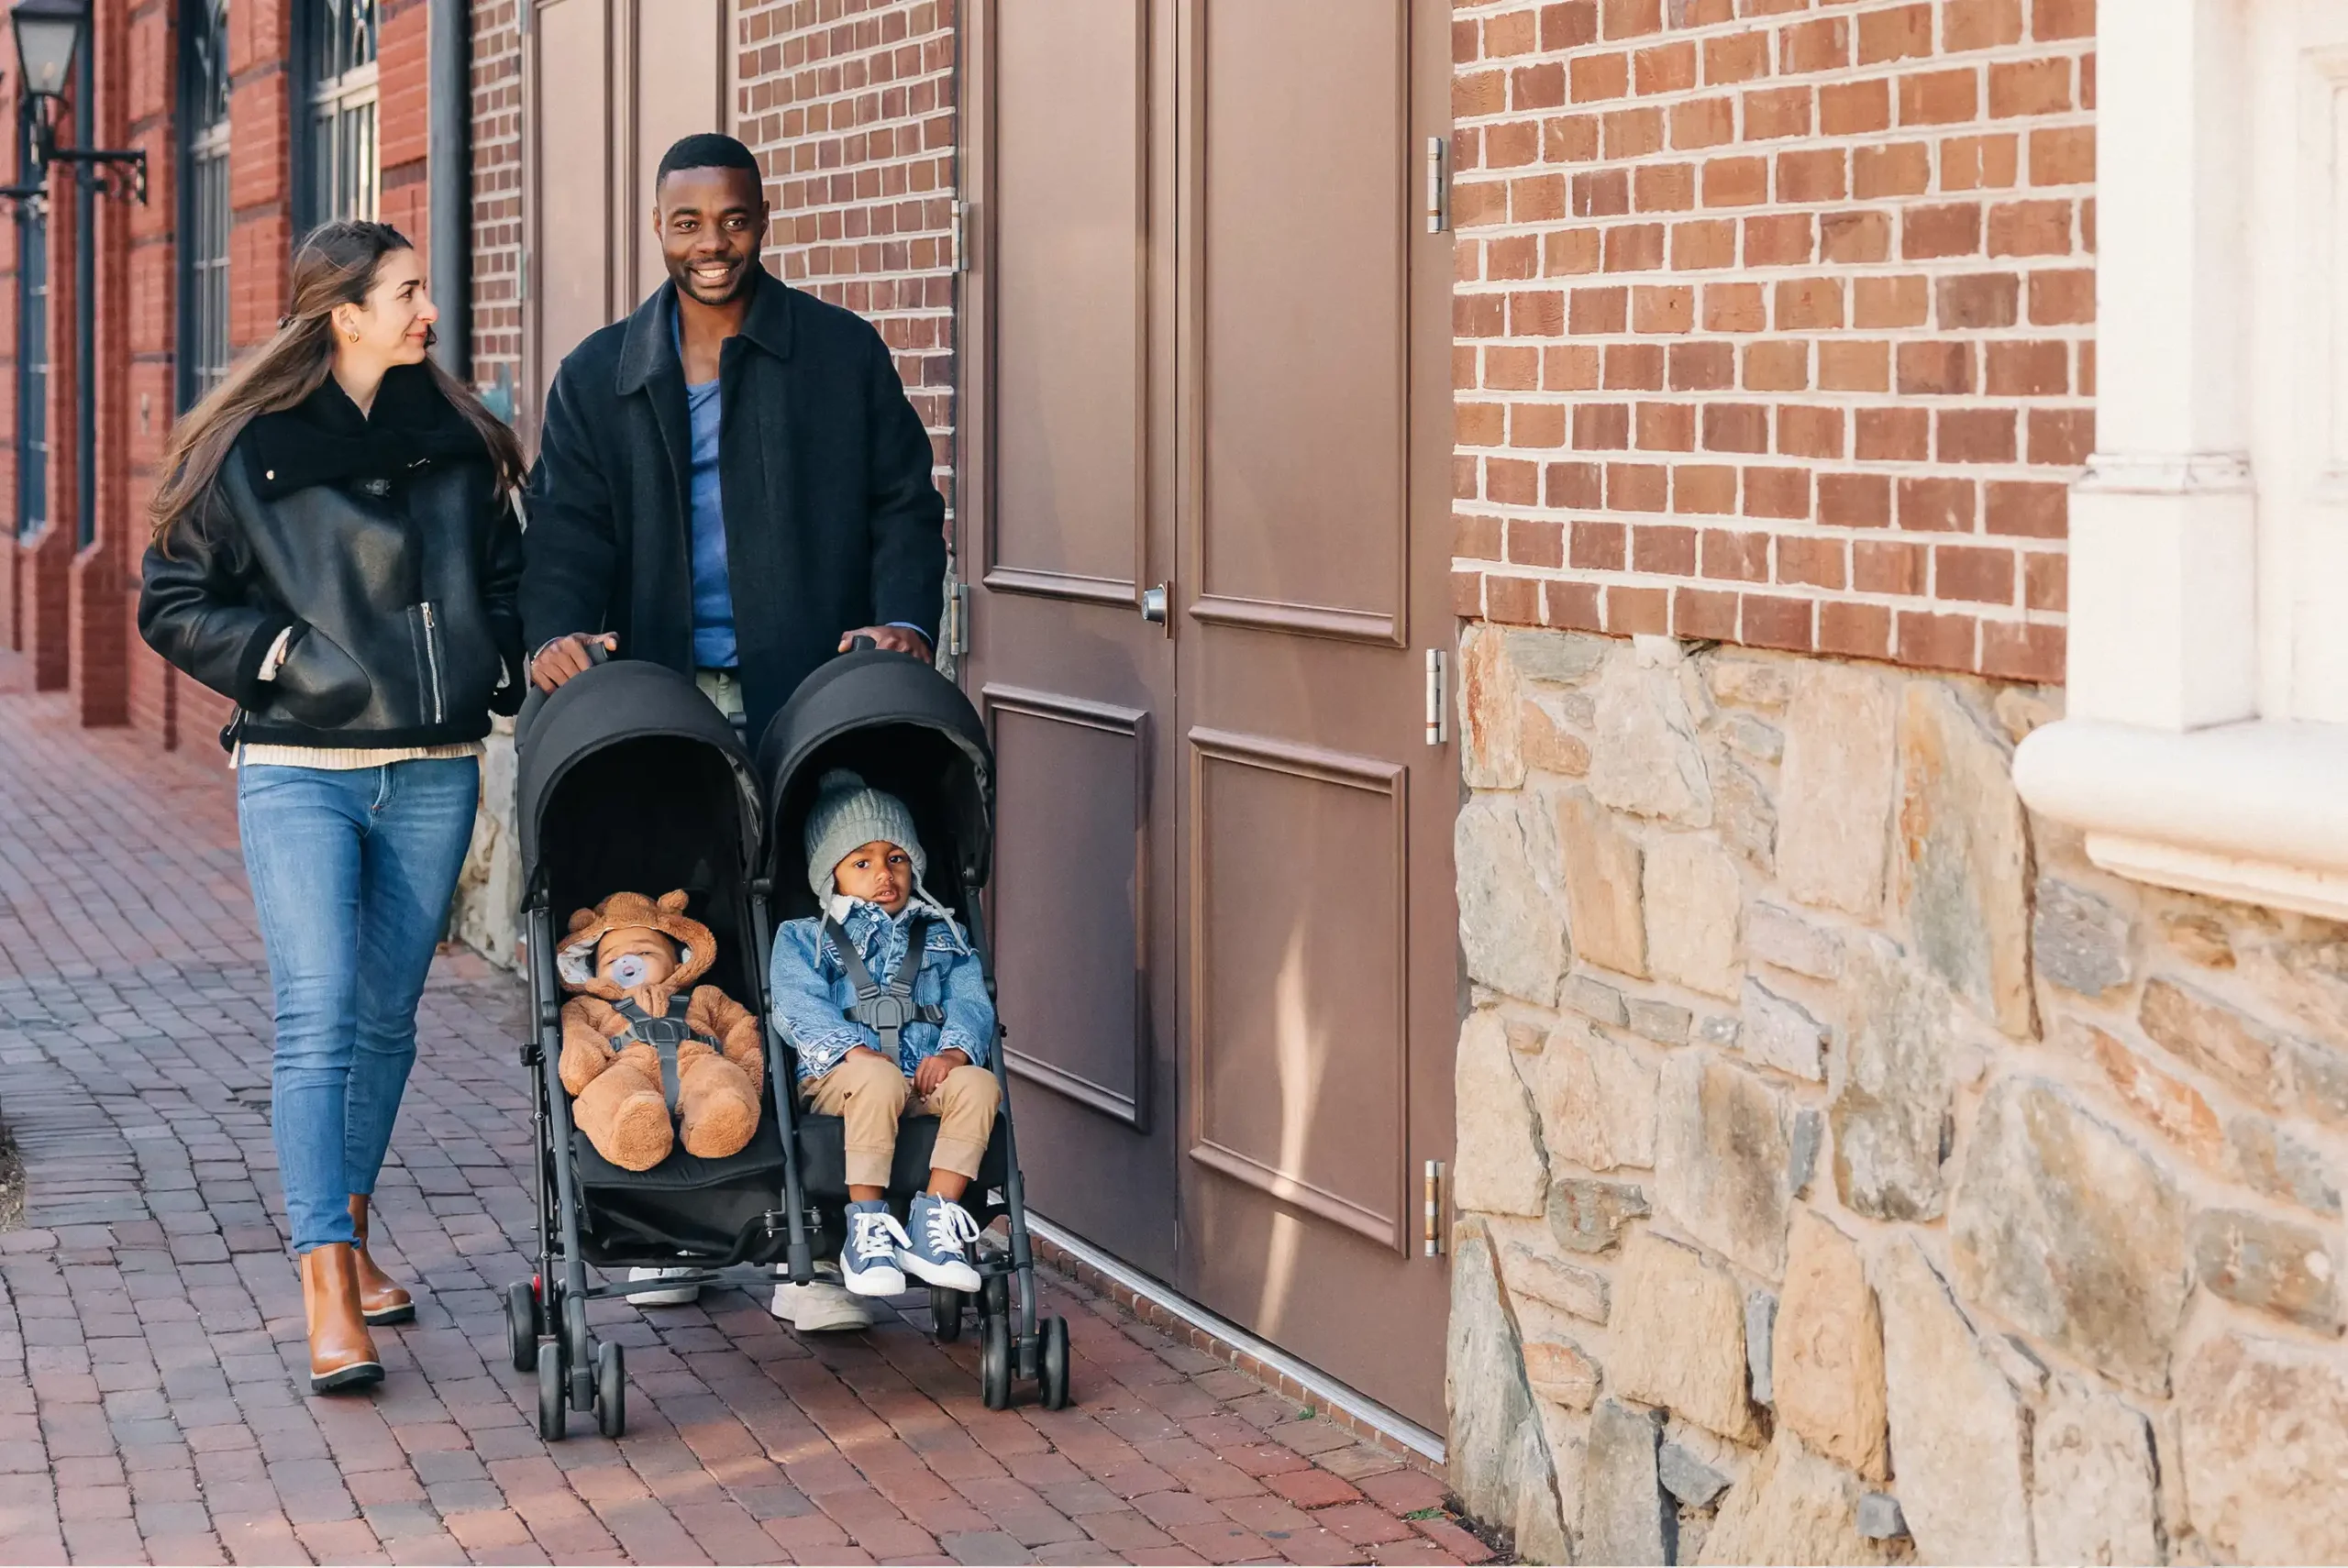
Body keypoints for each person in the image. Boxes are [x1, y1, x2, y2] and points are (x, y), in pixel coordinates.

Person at [520, 130, 947, 1329]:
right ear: (657, 228)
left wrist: (903, 621)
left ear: (767, 217)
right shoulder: (601, 374)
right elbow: (565, 528)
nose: (714, 247)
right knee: (698, 939)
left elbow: (904, 504)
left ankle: (818, 1242)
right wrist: (556, 632)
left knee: (815, 942)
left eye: (735, 221)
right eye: (687, 224)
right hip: (668, 700)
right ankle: (686, 1216)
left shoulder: (839, 356)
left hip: (806, 687)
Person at [138, 222, 527, 1394]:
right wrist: (279, 655)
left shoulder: (454, 439)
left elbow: (506, 576)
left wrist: (493, 659)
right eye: (408, 293)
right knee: (315, 1017)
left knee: (388, 1019)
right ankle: (322, 1275)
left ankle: (350, 1232)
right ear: (343, 313)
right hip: (299, 770)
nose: (429, 311)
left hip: (434, 766)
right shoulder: (252, 450)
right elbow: (172, 597)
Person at [768, 772, 1000, 1297]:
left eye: (896, 858)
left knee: (981, 1086)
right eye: (863, 862)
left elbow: (970, 998)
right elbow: (794, 1001)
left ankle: (933, 1226)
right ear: (832, 873)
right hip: (842, 1080)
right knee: (876, 1080)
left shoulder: (943, 934)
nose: (883, 874)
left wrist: (956, 1050)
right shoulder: (807, 936)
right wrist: (848, 1049)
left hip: (923, 1073)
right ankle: (866, 1228)